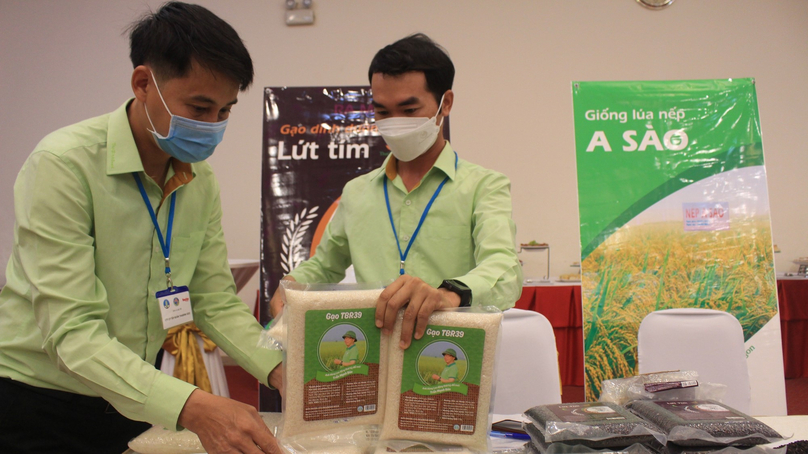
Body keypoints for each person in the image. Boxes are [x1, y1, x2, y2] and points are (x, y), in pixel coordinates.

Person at [0, 3, 282, 453]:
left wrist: (280, 367)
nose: (212, 127)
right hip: (41, 402)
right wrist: (193, 406)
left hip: (136, 397)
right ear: (143, 83)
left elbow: (211, 299)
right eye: (199, 107)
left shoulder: (199, 180)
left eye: (226, 111)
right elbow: (72, 331)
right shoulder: (63, 166)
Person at [271, 33, 522, 349]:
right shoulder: (357, 192)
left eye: (409, 109)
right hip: (370, 352)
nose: (394, 123)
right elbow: (324, 265)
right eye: (383, 111)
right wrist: (290, 286)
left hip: (452, 351)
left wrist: (448, 293)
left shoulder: (483, 186)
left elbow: (503, 269)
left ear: (445, 103)